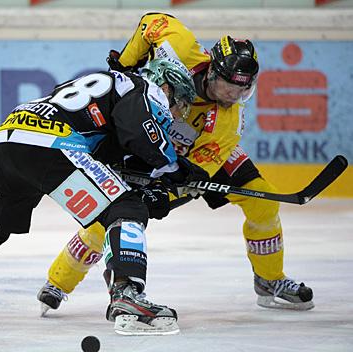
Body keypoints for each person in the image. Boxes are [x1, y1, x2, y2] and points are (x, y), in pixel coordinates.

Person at [0, 57, 207, 335]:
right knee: (126, 208)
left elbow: (112, 153)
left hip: (6, 141)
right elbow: (140, 135)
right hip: (51, 144)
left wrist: (157, 181)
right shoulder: (142, 86)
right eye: (178, 104)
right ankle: (128, 296)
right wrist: (176, 170)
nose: (176, 115)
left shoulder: (102, 85)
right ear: (167, 86)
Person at [37, 12, 314, 316]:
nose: (234, 96)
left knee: (264, 202)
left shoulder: (227, 122)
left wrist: (168, 190)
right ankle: (59, 281)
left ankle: (269, 279)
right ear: (212, 71)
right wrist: (128, 61)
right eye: (228, 87)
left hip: (190, 157)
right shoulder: (180, 46)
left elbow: (196, 170)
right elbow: (150, 22)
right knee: (111, 216)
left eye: (243, 90)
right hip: (141, 138)